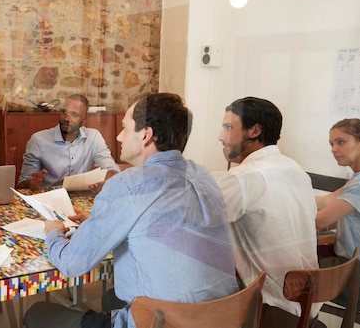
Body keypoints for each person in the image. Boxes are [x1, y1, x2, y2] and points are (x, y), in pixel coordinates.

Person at [24, 93, 239, 328]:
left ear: (146, 135)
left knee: (38, 312)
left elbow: (71, 264)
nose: (118, 136)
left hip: (163, 322)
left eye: (125, 128)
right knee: (110, 297)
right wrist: (97, 221)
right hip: (224, 318)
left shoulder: (127, 185)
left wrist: (53, 232)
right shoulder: (205, 175)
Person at [215, 97, 320, 328]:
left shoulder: (244, 177)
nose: (221, 136)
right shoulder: (296, 169)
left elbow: (196, 225)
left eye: (228, 128)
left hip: (272, 311)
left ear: (254, 130)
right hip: (307, 307)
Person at [315, 118, 360, 311]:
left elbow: (321, 219)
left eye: (340, 142)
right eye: (331, 144)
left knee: (281, 276)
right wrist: (287, 199)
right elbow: (326, 201)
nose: (333, 149)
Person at [18, 94, 120, 191]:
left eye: (74, 115)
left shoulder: (93, 136)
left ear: (84, 118)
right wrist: (31, 183)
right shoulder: (38, 140)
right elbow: (23, 182)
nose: (67, 118)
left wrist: (107, 178)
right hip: (48, 197)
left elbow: (109, 166)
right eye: (64, 112)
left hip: (80, 198)